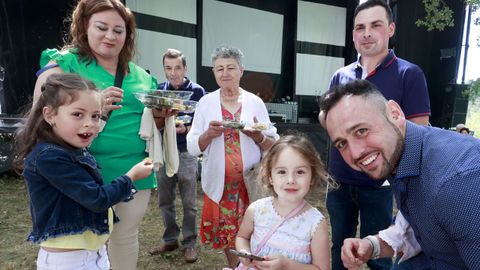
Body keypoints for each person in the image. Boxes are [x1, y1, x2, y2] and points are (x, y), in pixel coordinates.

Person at [32, 1, 176, 269]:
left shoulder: (141, 76)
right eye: (102, 27)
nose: (110, 36)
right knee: (82, 246)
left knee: (125, 237)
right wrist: (96, 106)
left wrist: (161, 119)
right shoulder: (65, 64)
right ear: (84, 26)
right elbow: (40, 121)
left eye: (118, 30)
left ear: (128, 35)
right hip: (80, 173)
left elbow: (146, 120)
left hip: (135, 170)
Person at [318, 79, 480, 269]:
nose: (355, 153)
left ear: (395, 113)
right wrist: (373, 246)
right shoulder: (403, 158)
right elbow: (426, 228)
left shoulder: (458, 181)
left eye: (361, 131)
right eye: (342, 144)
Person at [323, 1, 431, 269]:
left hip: (379, 183)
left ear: (391, 29)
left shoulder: (409, 73)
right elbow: (325, 117)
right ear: (353, 35)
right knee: (340, 247)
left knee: (379, 254)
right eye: (360, 27)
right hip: (339, 180)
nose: (367, 33)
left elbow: (419, 129)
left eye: (375, 25)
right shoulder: (341, 75)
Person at [13, 73, 154, 270]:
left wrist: (101, 114)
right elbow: (98, 199)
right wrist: (132, 177)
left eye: (95, 116)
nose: (89, 123)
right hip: (69, 263)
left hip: (93, 255)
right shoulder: (49, 157)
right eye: (77, 114)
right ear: (50, 115)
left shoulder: (71, 149)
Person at [187, 45, 279, 268]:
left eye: (230, 68)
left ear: (241, 71)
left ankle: (248, 265)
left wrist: (257, 136)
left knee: (252, 230)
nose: (225, 73)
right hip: (221, 185)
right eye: (219, 69)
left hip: (249, 183)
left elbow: (273, 143)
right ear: (214, 73)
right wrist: (208, 134)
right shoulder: (205, 103)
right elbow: (192, 146)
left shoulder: (254, 103)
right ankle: (237, 267)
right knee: (228, 233)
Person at [235, 134, 332, 270]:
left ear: (312, 177)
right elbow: (242, 237)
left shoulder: (316, 224)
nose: (290, 179)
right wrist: (244, 253)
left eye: (300, 172)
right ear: (270, 177)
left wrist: (287, 265)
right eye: (282, 172)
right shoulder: (256, 210)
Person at [148, 48, 206, 263]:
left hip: (187, 153)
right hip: (164, 152)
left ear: (185, 68)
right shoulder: (159, 91)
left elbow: (204, 122)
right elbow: (153, 121)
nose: (173, 73)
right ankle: (170, 239)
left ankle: (190, 243)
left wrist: (188, 128)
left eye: (177, 68)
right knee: (165, 200)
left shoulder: (198, 91)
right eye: (168, 68)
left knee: (189, 202)